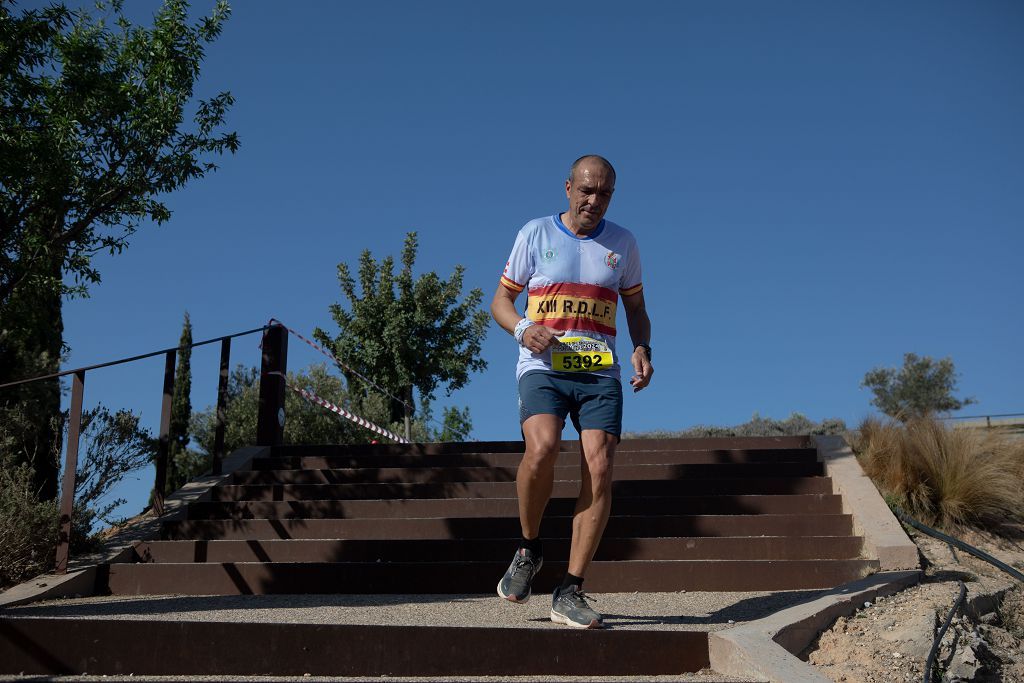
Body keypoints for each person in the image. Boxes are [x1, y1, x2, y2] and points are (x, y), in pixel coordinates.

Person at [490, 155, 653, 629]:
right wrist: (523, 329)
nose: (593, 201)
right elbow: (500, 300)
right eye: (586, 190)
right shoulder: (535, 233)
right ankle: (529, 548)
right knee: (540, 450)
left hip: (599, 372)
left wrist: (642, 346)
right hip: (542, 364)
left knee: (599, 467)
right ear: (567, 188)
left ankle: (571, 588)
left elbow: (637, 308)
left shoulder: (623, 243)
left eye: (603, 193)